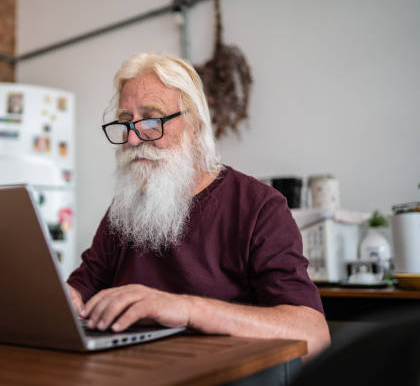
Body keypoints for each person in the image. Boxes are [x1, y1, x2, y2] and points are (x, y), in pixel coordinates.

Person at [66, 52, 331, 359]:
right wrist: (61, 297)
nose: (133, 140)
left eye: (152, 120)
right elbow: (80, 294)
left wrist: (186, 308)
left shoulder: (259, 206)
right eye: (126, 122)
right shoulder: (123, 211)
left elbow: (313, 335)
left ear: (195, 128)